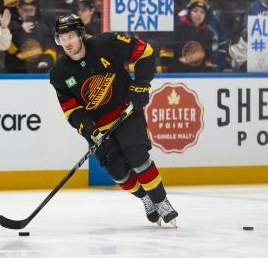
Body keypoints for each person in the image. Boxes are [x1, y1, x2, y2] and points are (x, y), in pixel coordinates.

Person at [49, 14, 178, 226]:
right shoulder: (59, 74)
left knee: (137, 157)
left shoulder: (106, 44)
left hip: (126, 112)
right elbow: (71, 109)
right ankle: (146, 199)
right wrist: (87, 128)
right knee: (118, 172)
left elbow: (145, 52)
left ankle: (162, 201)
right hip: (98, 128)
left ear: (80, 34)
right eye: (61, 38)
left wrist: (141, 84)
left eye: (70, 36)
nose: (66, 43)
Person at [5, 0, 56, 73]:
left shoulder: (43, 28)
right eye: (25, 10)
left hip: (37, 74)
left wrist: (47, 61)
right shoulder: (11, 26)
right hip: (16, 74)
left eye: (31, 10)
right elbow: (9, 51)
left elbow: (51, 50)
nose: (28, 13)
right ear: (18, 9)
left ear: (35, 10)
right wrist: (20, 31)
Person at [168, 0, 215, 73]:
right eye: (195, 11)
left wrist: (208, 68)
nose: (199, 14)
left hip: (200, 74)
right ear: (189, 13)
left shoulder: (208, 33)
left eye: (202, 12)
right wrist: (166, 67)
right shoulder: (178, 28)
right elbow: (167, 49)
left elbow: (208, 56)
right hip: (178, 72)